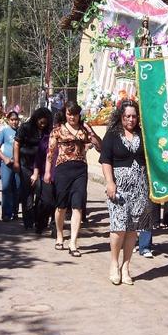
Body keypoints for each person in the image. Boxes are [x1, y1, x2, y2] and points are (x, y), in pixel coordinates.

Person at [99, 99, 149, 284]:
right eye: (127, 116)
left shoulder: (143, 135)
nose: (131, 119)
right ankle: (114, 263)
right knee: (119, 227)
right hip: (119, 189)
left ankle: (126, 266)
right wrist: (110, 182)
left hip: (139, 188)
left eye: (134, 116)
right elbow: (105, 160)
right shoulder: (112, 135)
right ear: (121, 116)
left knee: (132, 229)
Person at [45, 101, 101, 257]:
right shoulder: (57, 131)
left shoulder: (84, 130)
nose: (72, 117)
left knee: (77, 206)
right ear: (65, 114)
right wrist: (47, 172)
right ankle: (60, 235)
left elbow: (99, 146)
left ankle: (73, 242)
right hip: (63, 169)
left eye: (75, 114)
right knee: (61, 206)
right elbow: (50, 153)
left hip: (80, 170)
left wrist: (91, 132)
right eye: (69, 114)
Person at [14, 107, 52, 229]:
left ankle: (39, 219)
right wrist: (16, 162)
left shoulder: (48, 130)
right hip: (25, 165)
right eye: (41, 122)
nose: (42, 125)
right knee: (27, 195)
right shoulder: (25, 128)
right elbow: (16, 144)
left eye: (45, 123)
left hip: (41, 166)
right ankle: (28, 221)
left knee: (41, 194)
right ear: (36, 119)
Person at [0, 111, 21, 221]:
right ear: (8, 120)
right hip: (7, 164)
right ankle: (6, 213)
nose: (14, 122)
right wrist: (4, 158)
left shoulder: (21, 131)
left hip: (18, 164)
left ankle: (15, 212)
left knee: (17, 188)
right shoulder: (4, 132)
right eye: (12, 120)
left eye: (16, 119)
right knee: (6, 188)